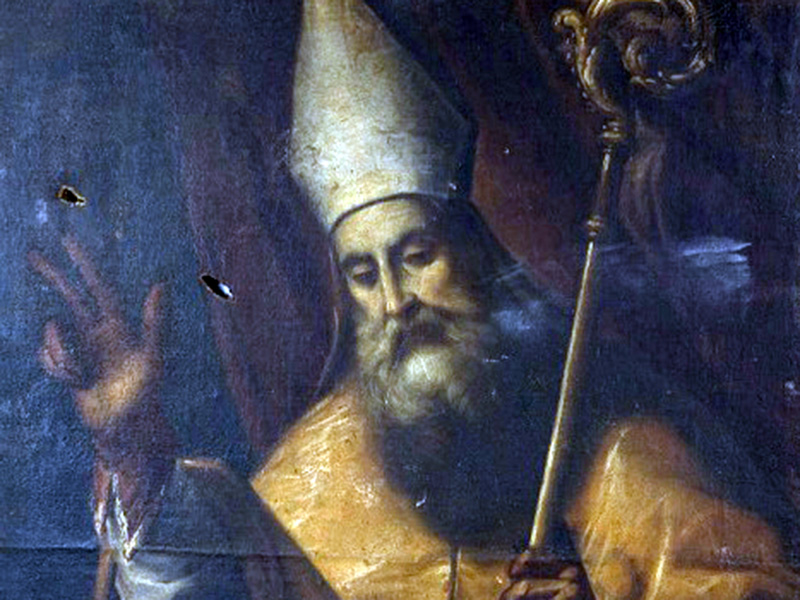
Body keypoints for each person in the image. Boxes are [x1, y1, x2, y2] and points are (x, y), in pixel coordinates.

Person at [31, 0, 800, 598]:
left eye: (416, 255)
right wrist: (133, 453)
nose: (396, 300)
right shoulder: (304, 486)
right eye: (365, 273)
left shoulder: (619, 450)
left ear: (474, 254)